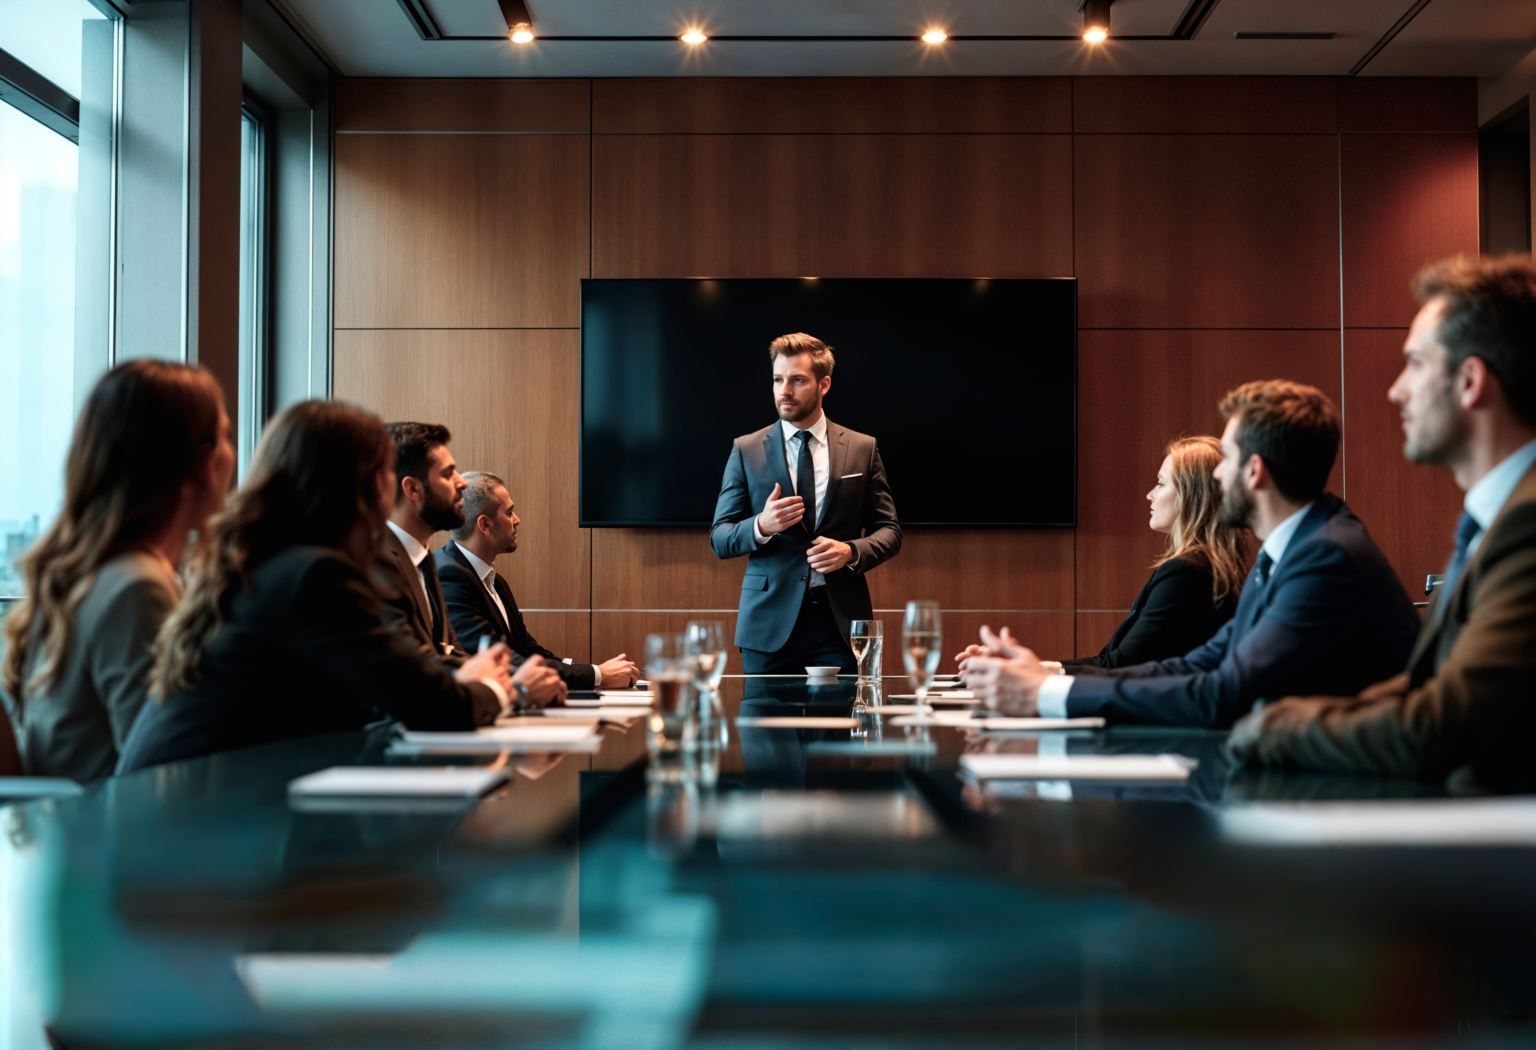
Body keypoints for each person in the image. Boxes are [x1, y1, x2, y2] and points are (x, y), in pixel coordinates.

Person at [115, 401, 559, 774]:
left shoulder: (273, 560)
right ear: (364, 484)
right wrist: (503, 689)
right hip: (190, 831)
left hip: (183, 807)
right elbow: (431, 705)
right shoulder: (315, 574)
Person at [1229, 255, 1536, 792]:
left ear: (1469, 382)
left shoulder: (1525, 522)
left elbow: (1440, 725)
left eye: (1415, 364)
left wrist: (1280, 729)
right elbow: (1424, 687)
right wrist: (1290, 715)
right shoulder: (1496, 519)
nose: (1396, 390)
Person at [962, 380, 1421, 728]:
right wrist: (1049, 682)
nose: (1217, 476)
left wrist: (1046, 695)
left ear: (1255, 472)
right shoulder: (1290, 551)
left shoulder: (1326, 557)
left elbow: (1225, 694)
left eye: (1227, 460)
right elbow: (1196, 664)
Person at [1, 361, 234, 781]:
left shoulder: (94, 577)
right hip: (115, 839)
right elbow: (159, 773)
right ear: (203, 462)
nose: (233, 455)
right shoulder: (138, 587)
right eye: (225, 437)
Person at [710, 333, 902, 674]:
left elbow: (889, 531)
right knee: (765, 727)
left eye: (797, 380)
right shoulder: (746, 449)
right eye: (778, 380)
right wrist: (761, 526)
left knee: (842, 727)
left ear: (824, 384)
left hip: (841, 626)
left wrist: (851, 551)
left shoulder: (862, 448)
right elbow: (720, 537)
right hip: (767, 627)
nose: (784, 391)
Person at [373, 424, 566, 707]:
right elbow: (414, 682)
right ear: (412, 488)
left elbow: (450, 660)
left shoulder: (425, 562)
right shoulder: (377, 566)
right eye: (447, 473)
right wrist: (514, 691)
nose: (461, 483)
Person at [435, 472, 639, 689]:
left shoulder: (495, 581)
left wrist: (593, 672)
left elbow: (527, 650)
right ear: (485, 525)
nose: (517, 520)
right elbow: (499, 663)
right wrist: (598, 675)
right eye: (509, 512)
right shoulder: (450, 576)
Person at [1060, 436, 1246, 669]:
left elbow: (1121, 667)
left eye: (1160, 483)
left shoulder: (1186, 572)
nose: (1150, 494)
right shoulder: (1204, 565)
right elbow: (1109, 660)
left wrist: (1039, 678)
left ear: (1190, 494)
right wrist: (1039, 670)